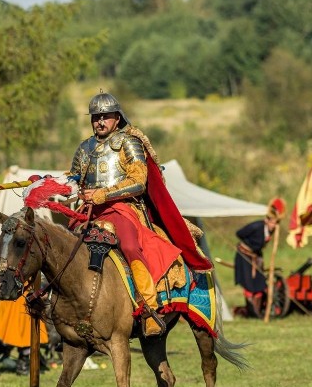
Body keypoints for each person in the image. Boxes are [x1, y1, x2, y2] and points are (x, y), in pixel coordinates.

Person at [68, 91, 212, 336]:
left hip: (123, 208)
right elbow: (74, 178)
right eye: (95, 117)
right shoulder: (85, 148)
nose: (100, 121)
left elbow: (139, 182)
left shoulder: (128, 142)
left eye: (105, 116)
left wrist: (103, 194)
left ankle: (149, 308)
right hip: (89, 211)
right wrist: (58, 185)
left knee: (131, 246)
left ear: (117, 117)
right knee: (62, 247)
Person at [0, 259, 48, 376]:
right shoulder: (13, 250)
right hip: (13, 298)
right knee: (14, 332)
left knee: (25, 332)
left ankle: (22, 364)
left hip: (24, 298)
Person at [234, 197, 286, 318]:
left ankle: (257, 311)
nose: (274, 225)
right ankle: (251, 311)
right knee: (248, 284)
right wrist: (248, 244)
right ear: (267, 220)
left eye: (276, 222)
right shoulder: (256, 226)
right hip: (244, 255)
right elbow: (239, 233)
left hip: (257, 256)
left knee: (260, 283)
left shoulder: (272, 230)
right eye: (273, 222)